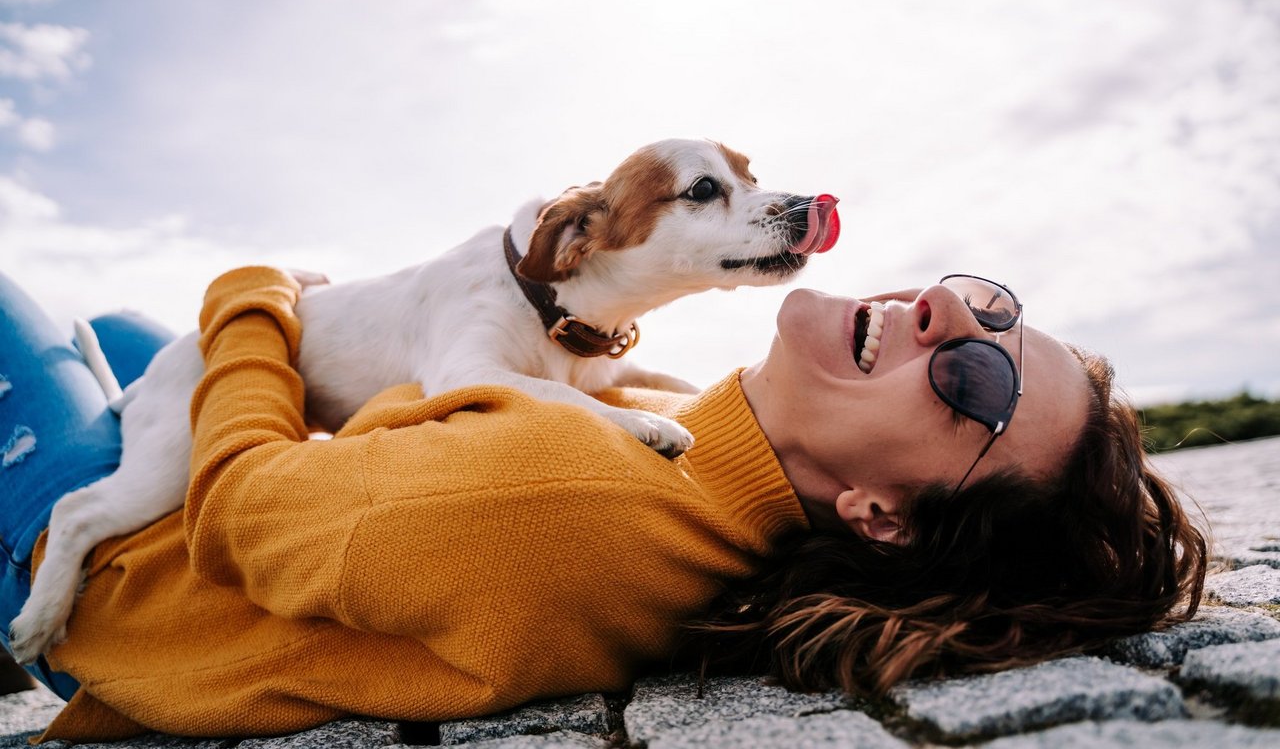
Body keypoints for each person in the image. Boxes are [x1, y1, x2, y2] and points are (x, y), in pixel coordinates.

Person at [0, 266, 1205, 742]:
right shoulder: (700, 433)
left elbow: (246, 512)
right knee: (119, 335)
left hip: (113, 577)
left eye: (971, 381)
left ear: (878, 514)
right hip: (185, 507)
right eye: (985, 307)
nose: (947, 318)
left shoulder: (565, 497)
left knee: (32, 312)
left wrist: (258, 295)